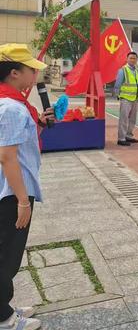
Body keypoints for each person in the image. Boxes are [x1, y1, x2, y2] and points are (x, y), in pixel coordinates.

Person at [0, 44, 54, 330]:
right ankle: (4, 318)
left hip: (13, 188)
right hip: (11, 192)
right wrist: (22, 200)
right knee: (6, 255)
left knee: (8, 252)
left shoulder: (14, 103)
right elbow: (7, 157)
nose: (35, 73)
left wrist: (40, 124)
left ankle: (4, 304)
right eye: (30, 69)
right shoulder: (10, 107)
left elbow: (18, 146)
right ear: (13, 73)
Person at [114, 51, 138, 146]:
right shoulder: (123, 70)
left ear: (137, 60)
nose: (133, 60)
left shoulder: (136, 71)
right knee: (124, 119)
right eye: (131, 58)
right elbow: (117, 84)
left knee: (133, 119)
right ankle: (121, 138)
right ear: (127, 59)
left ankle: (129, 136)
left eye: (134, 58)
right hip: (125, 98)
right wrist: (118, 96)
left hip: (135, 98)